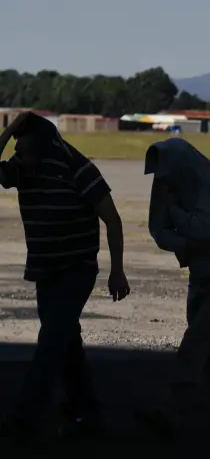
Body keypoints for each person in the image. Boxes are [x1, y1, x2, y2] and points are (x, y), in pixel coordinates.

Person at [0, 112, 130, 446]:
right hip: (45, 268)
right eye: (19, 149)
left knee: (50, 343)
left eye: (28, 150)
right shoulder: (21, 166)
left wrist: (117, 270)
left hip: (77, 267)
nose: (23, 157)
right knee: (66, 344)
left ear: (45, 148)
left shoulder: (76, 166)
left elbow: (112, 219)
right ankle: (86, 415)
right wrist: (11, 129)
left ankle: (24, 419)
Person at [134, 138, 210, 438]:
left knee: (195, 345)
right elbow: (159, 230)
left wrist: (177, 216)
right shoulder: (169, 183)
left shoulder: (205, 185)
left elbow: (208, 229)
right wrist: (187, 240)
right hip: (201, 276)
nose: (163, 180)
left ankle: (170, 412)